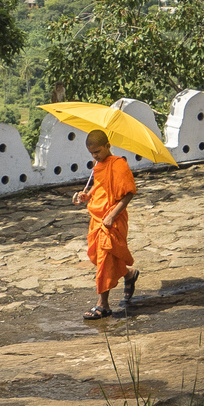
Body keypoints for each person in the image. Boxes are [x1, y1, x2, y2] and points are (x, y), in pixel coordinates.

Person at [73, 129, 139, 320]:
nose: (95, 156)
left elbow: (129, 193)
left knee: (104, 259)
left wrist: (112, 215)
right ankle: (129, 274)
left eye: (98, 152)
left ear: (108, 146)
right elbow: (99, 186)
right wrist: (86, 195)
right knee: (106, 258)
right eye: (92, 154)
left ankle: (103, 305)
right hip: (97, 217)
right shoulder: (98, 165)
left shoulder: (119, 165)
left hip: (112, 220)